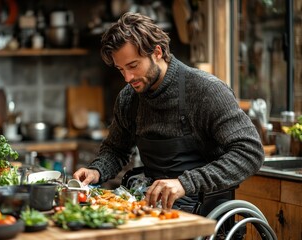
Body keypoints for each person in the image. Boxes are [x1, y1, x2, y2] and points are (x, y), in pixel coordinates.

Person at [73, 12, 264, 213]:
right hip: (151, 207)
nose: (128, 77)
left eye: (133, 66)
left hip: (205, 212)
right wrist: (97, 170)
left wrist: (185, 183)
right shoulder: (129, 98)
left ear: (157, 52)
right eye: (121, 69)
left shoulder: (206, 91)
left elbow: (250, 151)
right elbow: (115, 149)